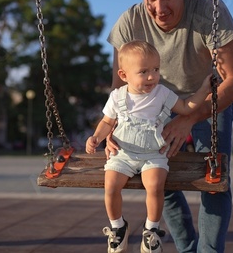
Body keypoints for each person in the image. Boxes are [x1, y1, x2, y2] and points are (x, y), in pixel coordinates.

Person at [106, 0, 233, 252]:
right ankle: (187, 248)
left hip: (208, 100)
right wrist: (111, 127)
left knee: (213, 179)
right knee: (161, 180)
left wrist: (190, 117)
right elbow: (118, 88)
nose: (160, 8)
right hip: (157, 105)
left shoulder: (208, 11)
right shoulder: (129, 24)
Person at [85, 40, 212, 253]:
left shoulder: (161, 93)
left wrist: (203, 90)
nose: (152, 76)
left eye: (155, 69)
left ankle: (151, 230)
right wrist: (96, 137)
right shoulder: (117, 96)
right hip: (123, 153)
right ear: (124, 75)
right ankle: (118, 227)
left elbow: (185, 107)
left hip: (154, 154)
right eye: (143, 71)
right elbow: (107, 122)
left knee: (154, 185)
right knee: (111, 186)